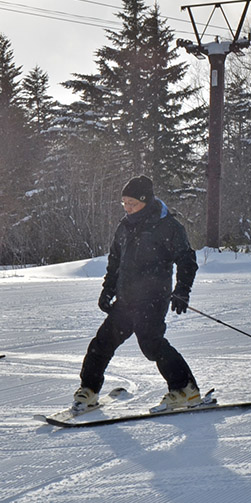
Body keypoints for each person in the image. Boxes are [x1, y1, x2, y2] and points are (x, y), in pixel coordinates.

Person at [74, 175, 200, 413]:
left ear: (146, 201)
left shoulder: (168, 226)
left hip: (153, 298)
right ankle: (88, 391)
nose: (128, 208)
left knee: (151, 343)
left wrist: (182, 290)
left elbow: (186, 260)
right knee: (102, 343)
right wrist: (107, 290)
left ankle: (185, 389)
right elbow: (115, 261)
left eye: (132, 203)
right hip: (126, 298)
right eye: (124, 203)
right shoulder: (125, 226)